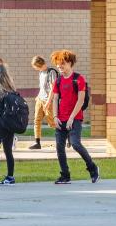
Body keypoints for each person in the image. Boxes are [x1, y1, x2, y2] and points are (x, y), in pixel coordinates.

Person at [50, 49, 99, 184]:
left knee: (76, 144)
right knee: (59, 147)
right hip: (61, 119)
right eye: (58, 65)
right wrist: (55, 116)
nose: (60, 67)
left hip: (75, 118)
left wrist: (71, 117)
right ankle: (65, 175)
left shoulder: (78, 79)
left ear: (70, 63)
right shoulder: (58, 81)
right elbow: (55, 99)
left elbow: (81, 100)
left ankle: (93, 168)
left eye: (62, 64)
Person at [30, 55, 57, 150]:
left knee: (52, 122)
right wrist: (38, 96)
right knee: (36, 120)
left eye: (35, 66)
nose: (35, 68)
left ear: (39, 64)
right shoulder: (41, 72)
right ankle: (37, 143)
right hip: (40, 100)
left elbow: (53, 88)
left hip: (48, 100)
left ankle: (67, 137)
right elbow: (42, 87)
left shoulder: (51, 72)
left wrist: (48, 102)